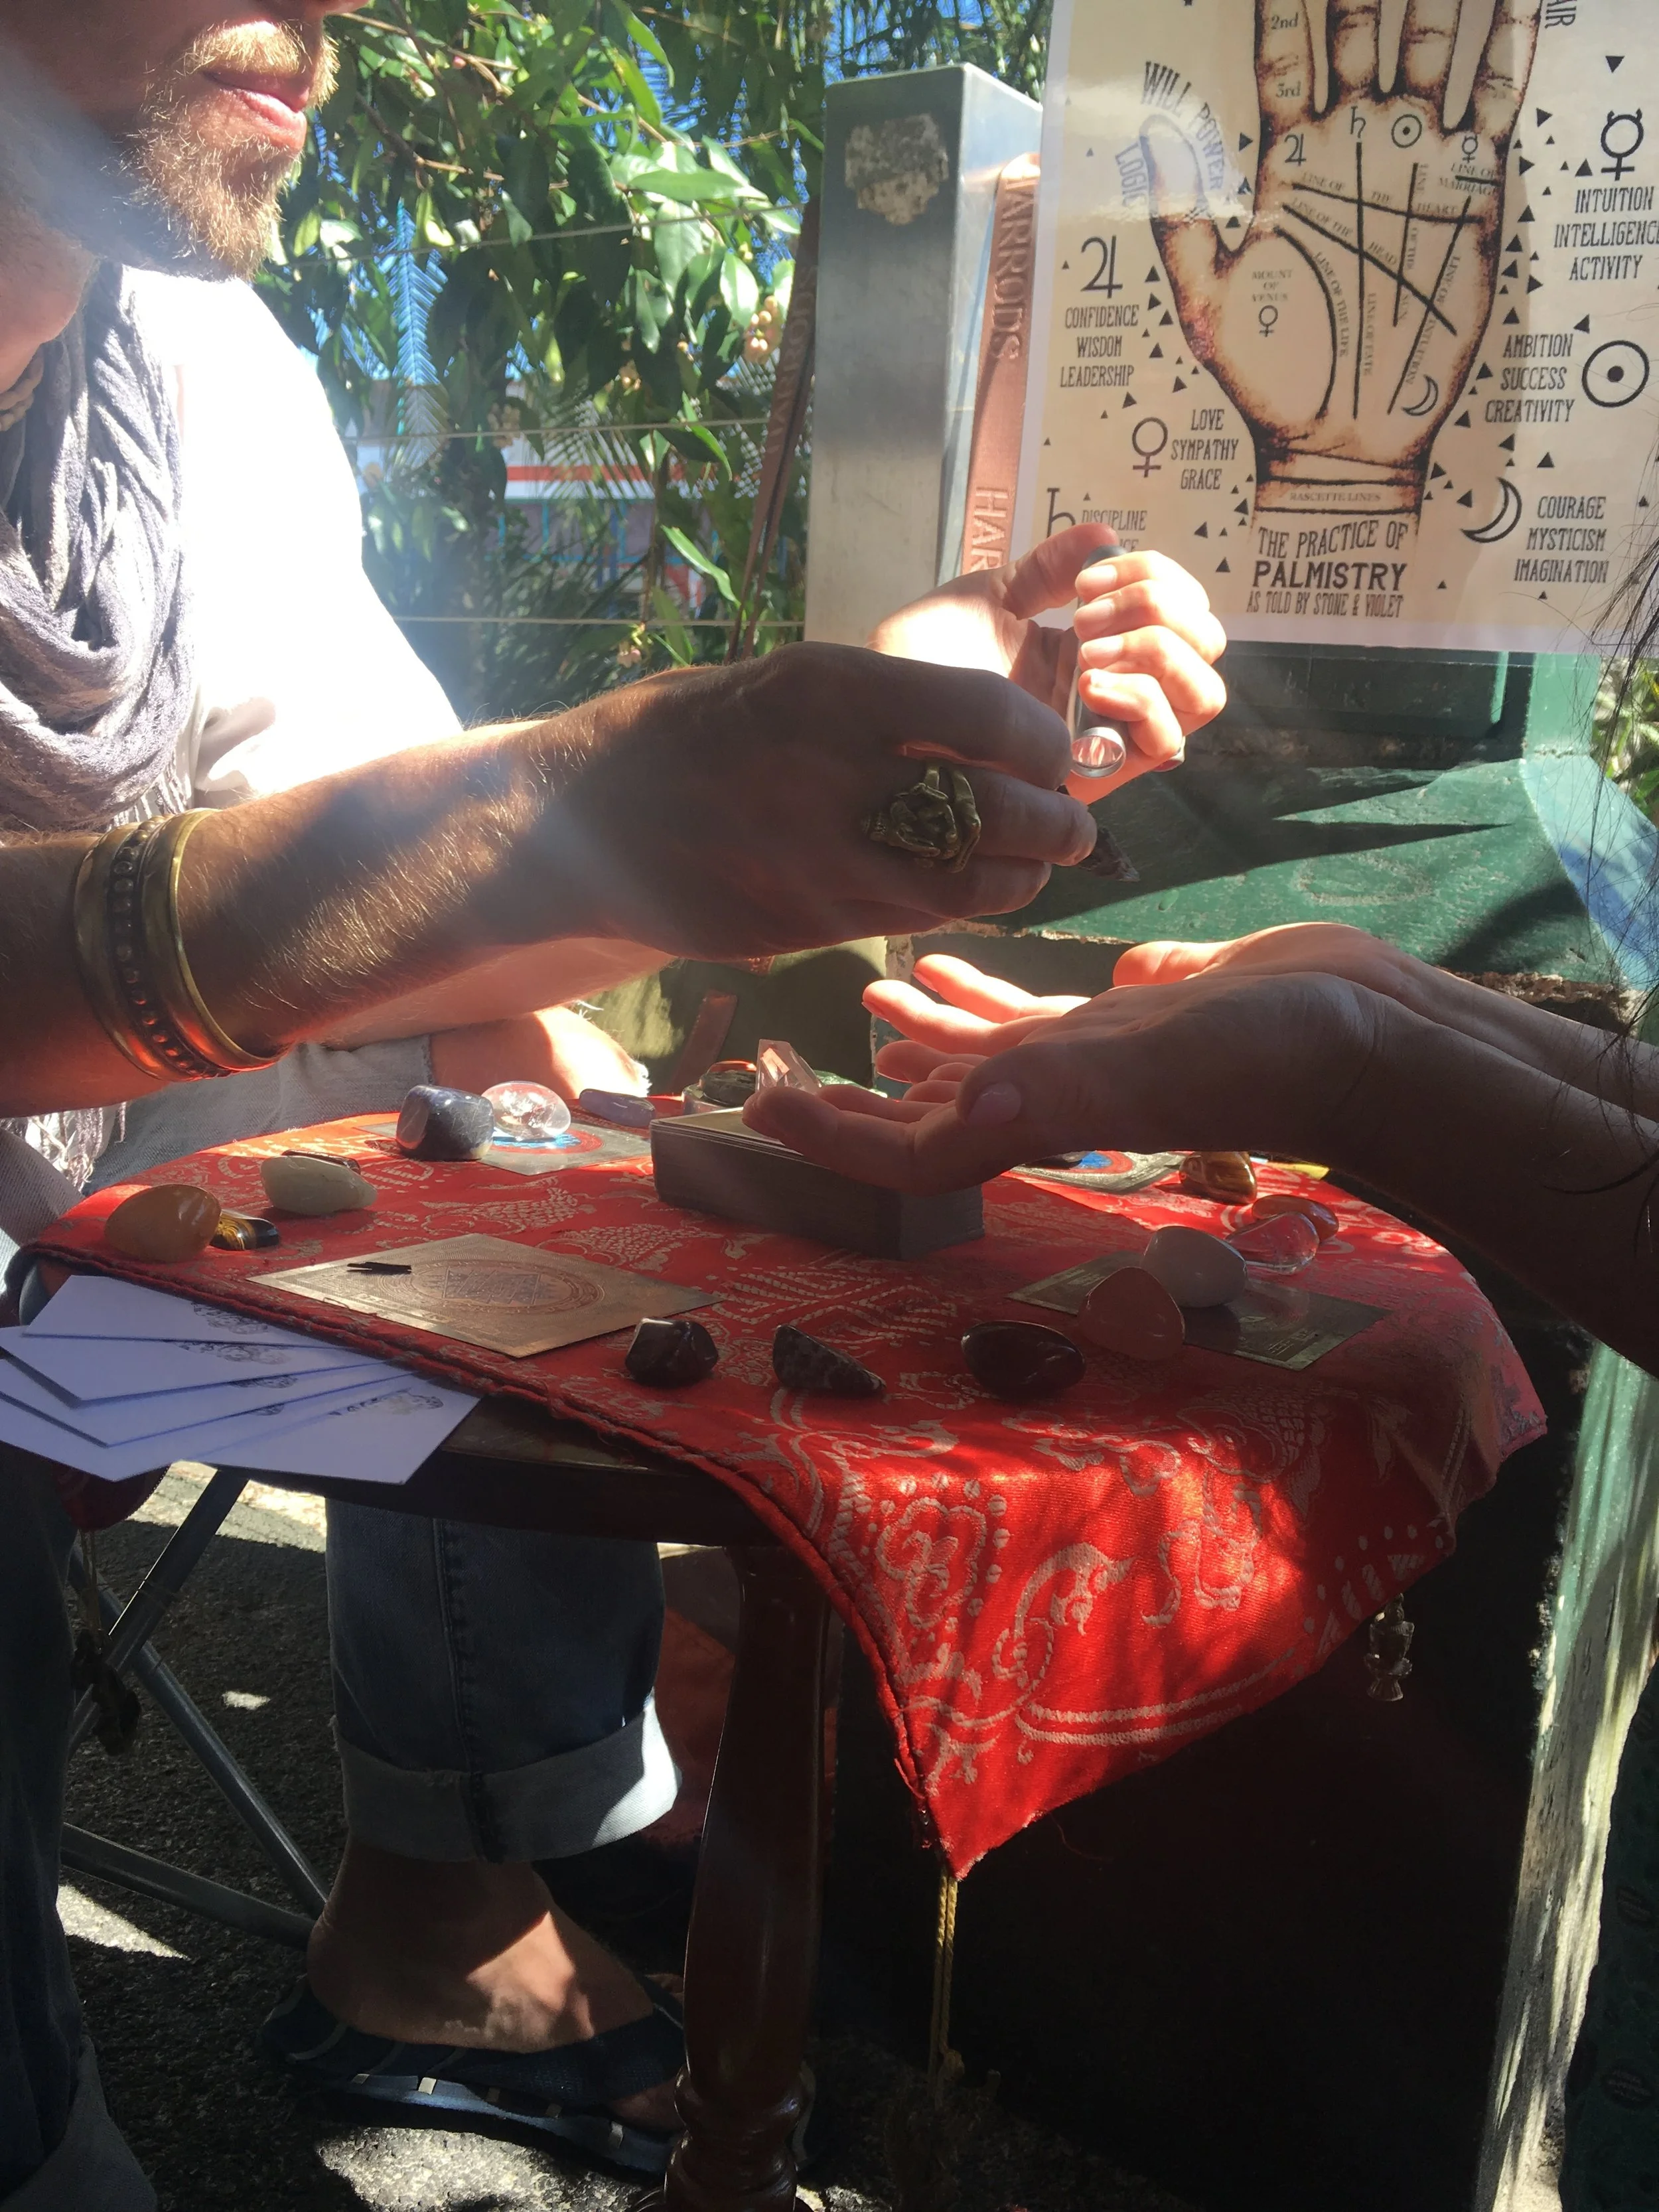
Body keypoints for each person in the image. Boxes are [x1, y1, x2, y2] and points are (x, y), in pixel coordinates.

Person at [0, 5, 1230, 2201]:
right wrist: (622, 803)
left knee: (516, 1124)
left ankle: (465, 1882)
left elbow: (394, 884)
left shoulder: (207, 371)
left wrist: (901, 714)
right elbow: (418, 869)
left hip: (87, 1195)